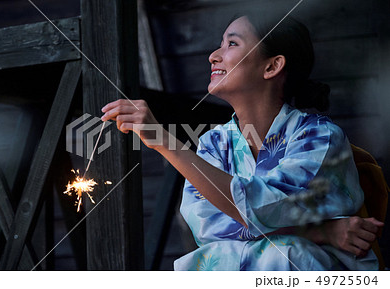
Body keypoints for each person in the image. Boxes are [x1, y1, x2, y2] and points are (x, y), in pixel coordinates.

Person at [100, 13, 384, 270]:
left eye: (231, 44)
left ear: (272, 66)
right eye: (219, 44)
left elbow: (266, 208)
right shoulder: (214, 142)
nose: (213, 55)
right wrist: (320, 231)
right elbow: (208, 228)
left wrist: (164, 141)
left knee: (285, 254)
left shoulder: (318, 137)